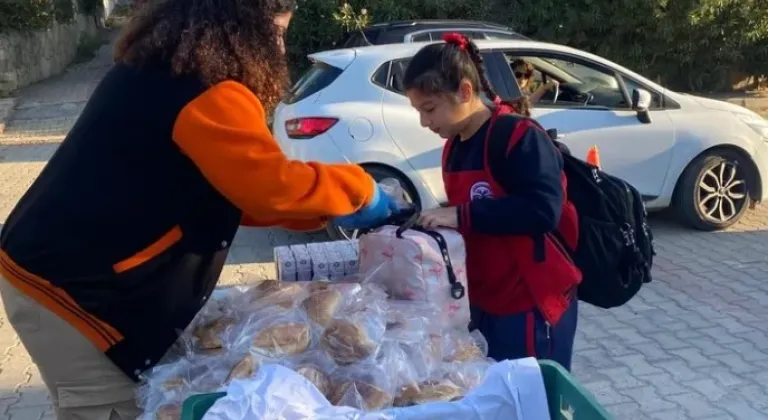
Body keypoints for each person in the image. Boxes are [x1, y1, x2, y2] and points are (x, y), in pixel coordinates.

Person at [0, 0, 395, 417]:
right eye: (276, 33)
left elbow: (232, 192)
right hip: (76, 293)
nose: (280, 50)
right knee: (121, 408)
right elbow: (268, 184)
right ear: (238, 28)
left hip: (55, 271)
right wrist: (359, 190)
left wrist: (324, 211)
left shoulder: (163, 71)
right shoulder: (205, 92)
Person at [401, 33, 581, 369]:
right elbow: (466, 211)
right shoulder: (454, 146)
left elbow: (543, 210)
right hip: (484, 300)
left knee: (534, 400)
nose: (425, 122)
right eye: (418, 111)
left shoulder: (518, 137)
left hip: (531, 302)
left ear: (465, 92)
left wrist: (460, 215)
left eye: (429, 109)